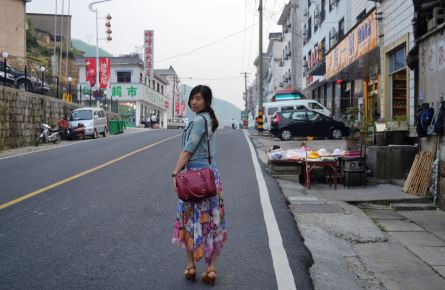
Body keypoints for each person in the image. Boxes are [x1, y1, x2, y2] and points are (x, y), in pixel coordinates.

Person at [172, 85, 227, 285]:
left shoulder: (198, 121)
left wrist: (175, 172)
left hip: (193, 180)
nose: (193, 102)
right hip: (211, 178)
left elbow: (188, 149)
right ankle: (211, 269)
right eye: (192, 98)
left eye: (198, 98)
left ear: (206, 101)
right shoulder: (209, 120)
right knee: (211, 223)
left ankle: (191, 267)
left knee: (189, 222)